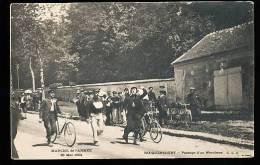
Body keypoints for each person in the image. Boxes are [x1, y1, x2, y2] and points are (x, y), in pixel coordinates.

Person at [11, 91, 20, 158]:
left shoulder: (15, 104)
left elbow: (17, 116)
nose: (12, 95)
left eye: (13, 94)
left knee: (12, 138)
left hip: (13, 126)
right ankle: (15, 156)